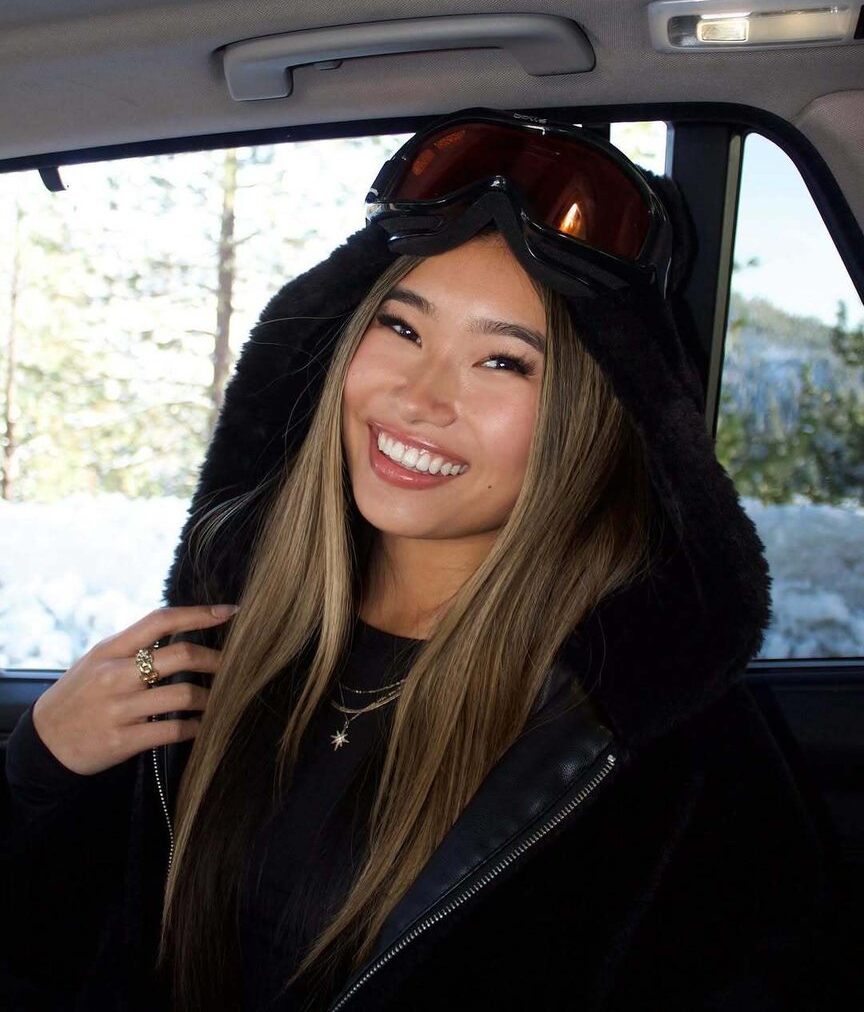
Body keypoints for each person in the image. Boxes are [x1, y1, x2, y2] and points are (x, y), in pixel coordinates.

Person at [1, 107, 829, 1012]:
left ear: (590, 421)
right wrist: (36, 766)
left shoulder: (654, 740)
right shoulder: (221, 637)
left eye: (503, 363)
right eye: (402, 329)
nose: (420, 397)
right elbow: (54, 946)